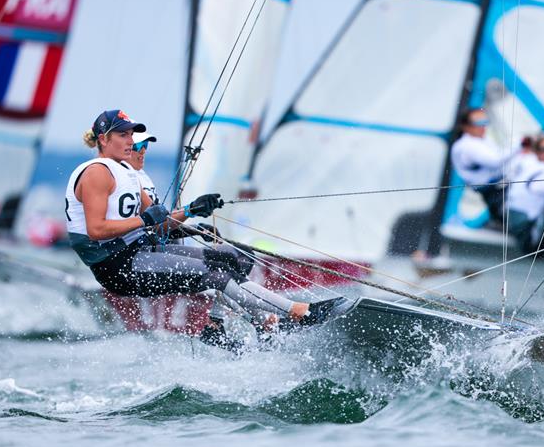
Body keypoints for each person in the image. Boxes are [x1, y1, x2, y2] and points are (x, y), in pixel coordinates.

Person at [65, 109, 347, 336]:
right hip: (117, 267)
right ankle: (299, 312)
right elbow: (97, 230)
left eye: (130, 135)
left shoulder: (125, 173)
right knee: (215, 275)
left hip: (138, 253)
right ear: (103, 139)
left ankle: (261, 324)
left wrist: (191, 211)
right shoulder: (97, 173)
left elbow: (160, 225)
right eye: (122, 135)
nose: (130, 141)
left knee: (227, 259)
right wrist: (143, 220)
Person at [124, 130, 255, 281]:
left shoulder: (142, 176)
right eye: (138, 146)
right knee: (225, 263)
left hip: (158, 249)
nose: (143, 150)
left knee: (244, 254)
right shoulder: (124, 181)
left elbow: (160, 225)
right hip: (142, 258)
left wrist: (196, 228)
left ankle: (226, 299)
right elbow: (149, 228)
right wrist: (190, 210)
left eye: (145, 145)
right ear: (124, 149)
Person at [450, 108, 519, 222]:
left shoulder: (482, 139)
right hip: (493, 194)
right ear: (465, 126)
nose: (483, 127)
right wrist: (520, 144)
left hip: (503, 188)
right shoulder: (465, 145)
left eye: (485, 122)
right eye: (479, 123)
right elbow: (495, 161)